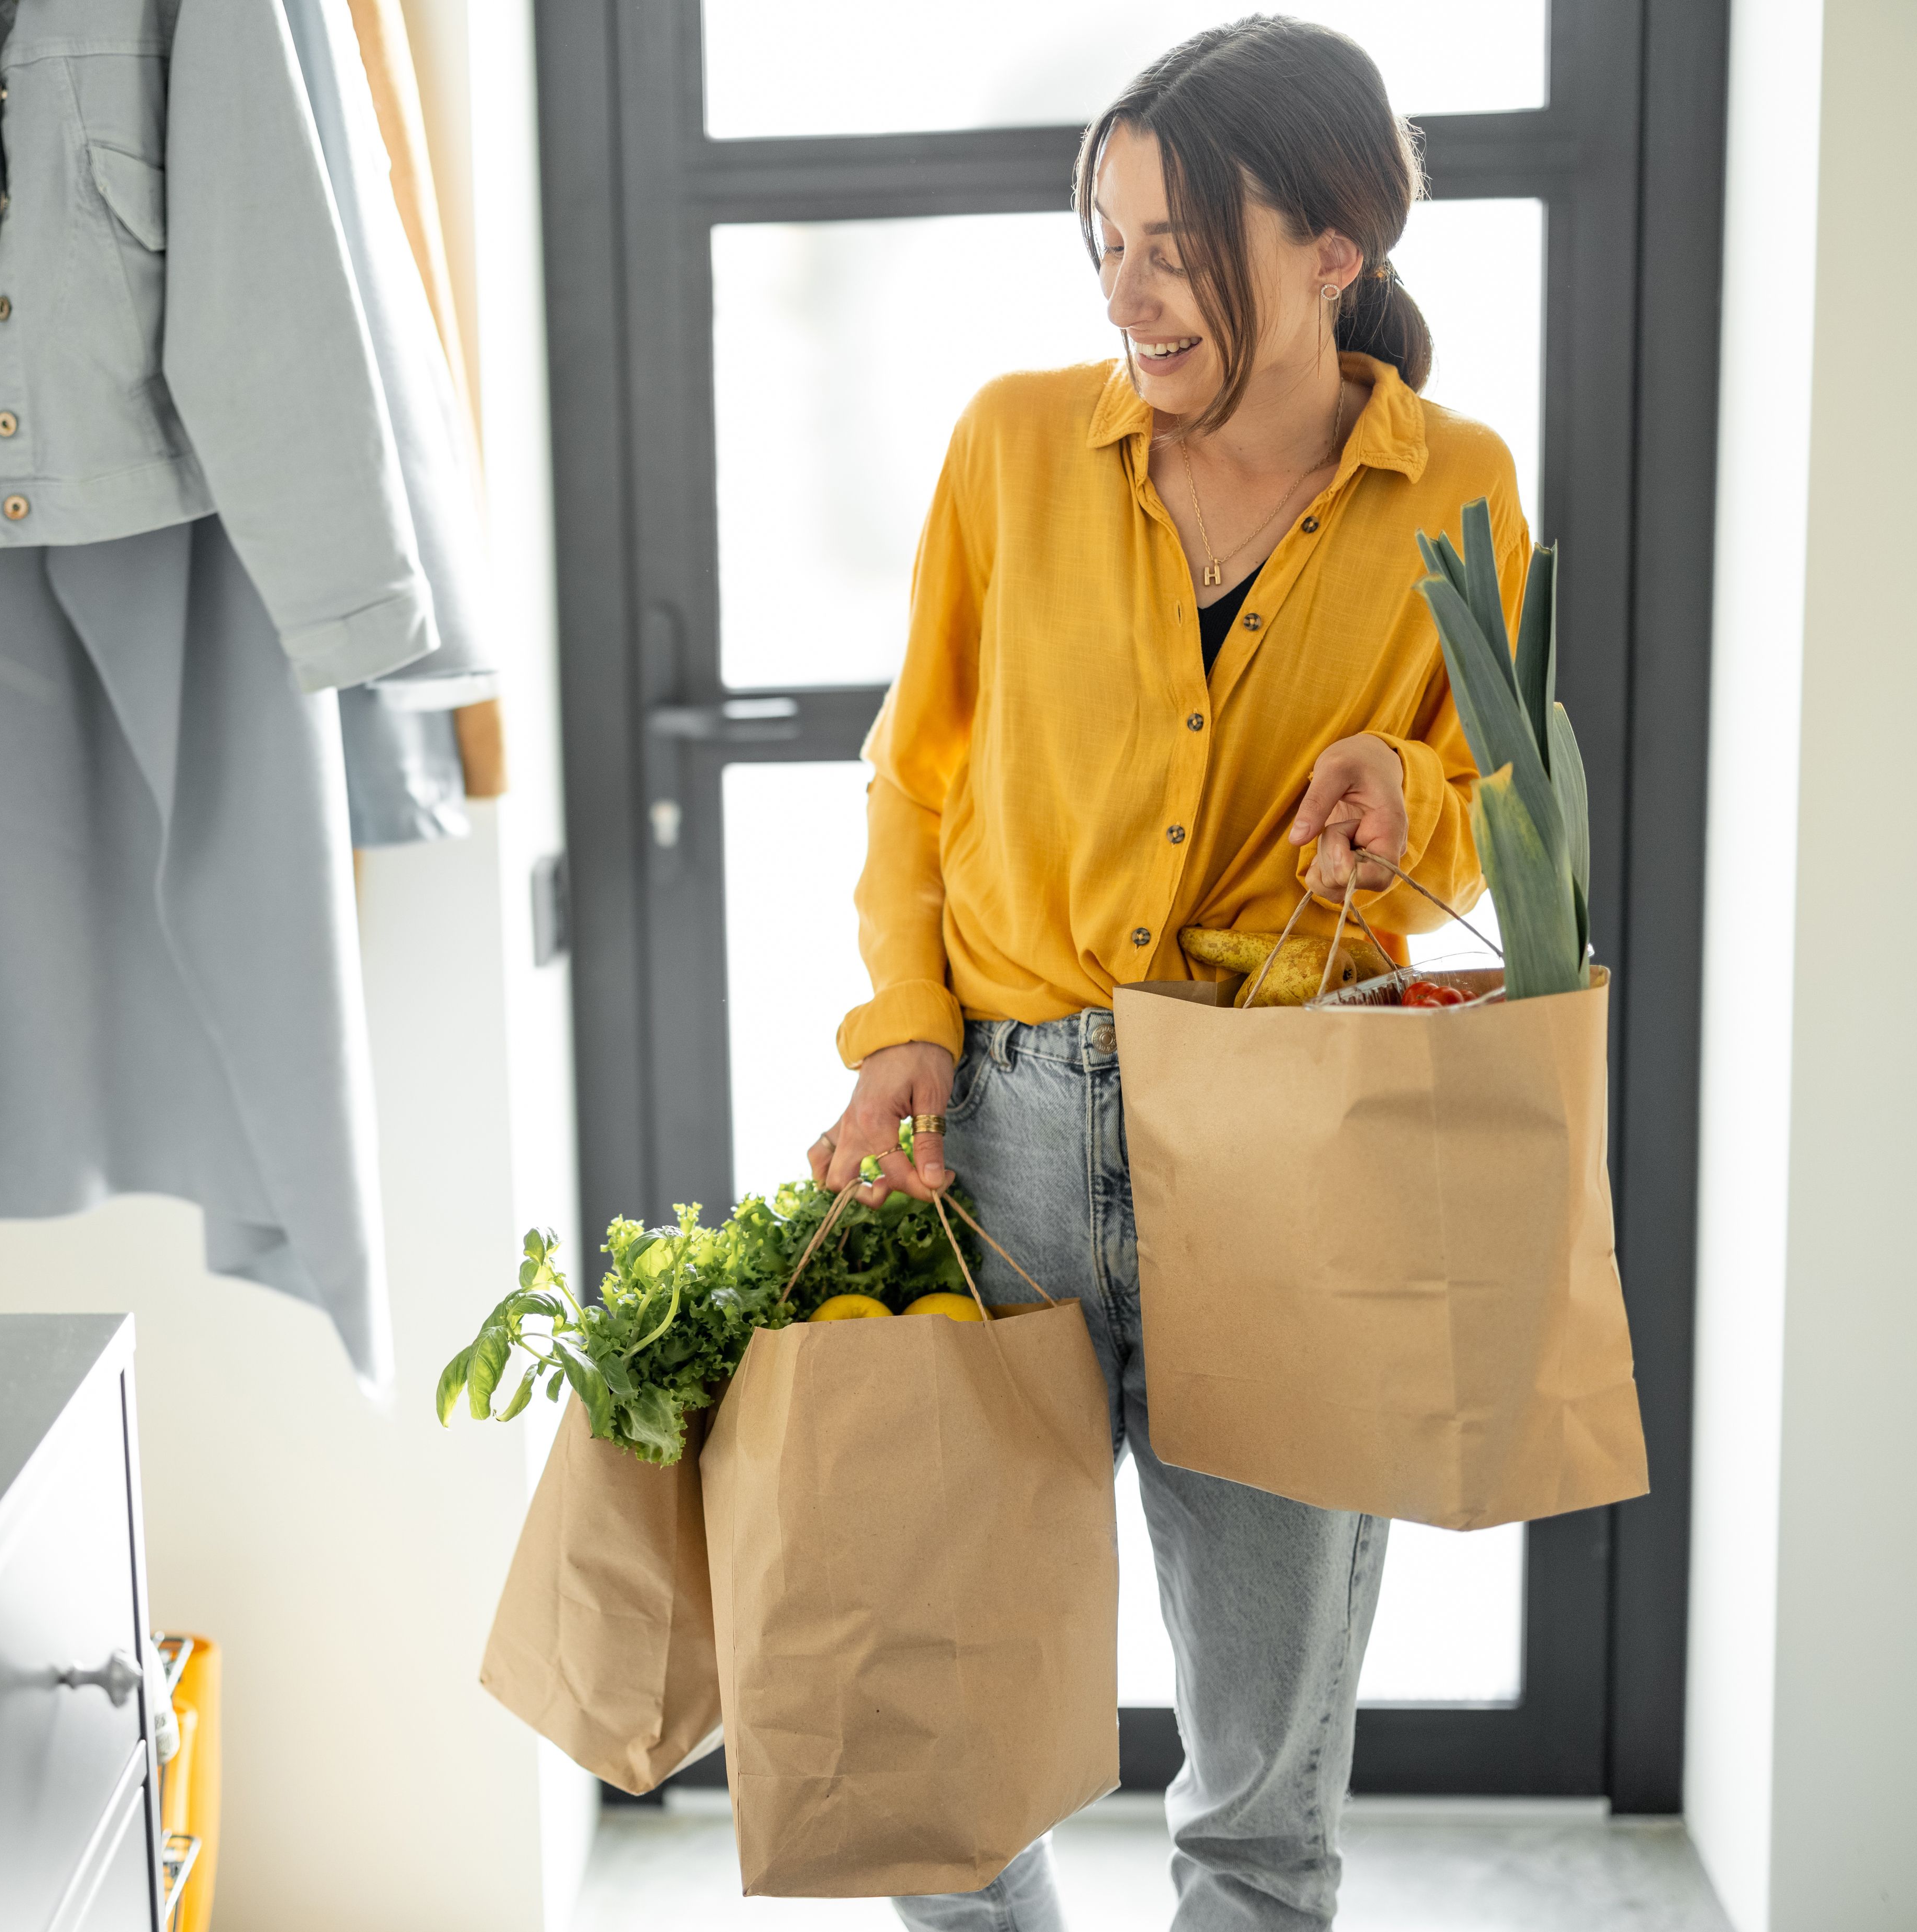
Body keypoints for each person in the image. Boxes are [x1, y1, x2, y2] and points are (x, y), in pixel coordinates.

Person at [808, 19, 1524, 1930]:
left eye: (1178, 240)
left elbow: (1499, 798)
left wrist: (1407, 791)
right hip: (1004, 1126)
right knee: (942, 1739)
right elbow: (918, 770)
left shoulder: (1457, 486)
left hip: (1287, 1142)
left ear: (1331, 254)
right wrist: (902, 1038)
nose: (1130, 288)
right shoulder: (1015, 445)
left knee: (1264, 1790)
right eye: (1107, 238)